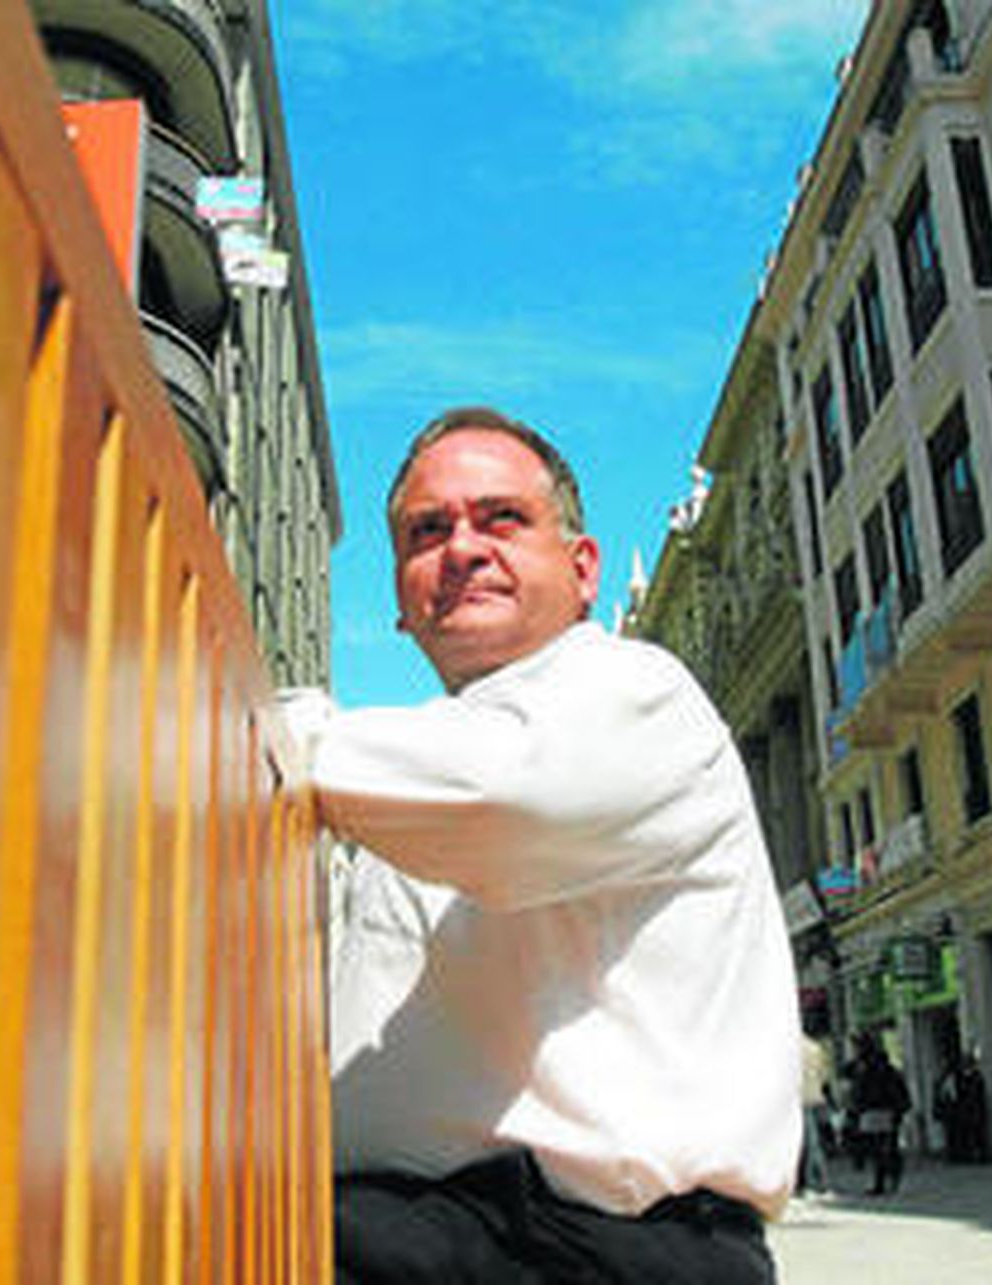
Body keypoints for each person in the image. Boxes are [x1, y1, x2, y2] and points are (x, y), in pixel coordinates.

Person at [281, 407, 801, 1283]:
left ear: (584, 567)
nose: (463, 548)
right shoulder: (402, 782)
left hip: (585, 1249)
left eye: (502, 518)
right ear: (402, 599)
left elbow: (501, 797)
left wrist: (261, 731)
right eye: (427, 530)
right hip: (404, 1234)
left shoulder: (636, 694)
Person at [846, 1034, 911, 1195]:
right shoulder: (887, 1069)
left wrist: (856, 1109)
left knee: (877, 1149)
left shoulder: (866, 1068)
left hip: (874, 1112)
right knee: (889, 1147)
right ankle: (892, 1179)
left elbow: (859, 1089)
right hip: (888, 1111)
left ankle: (882, 1182)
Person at [797, 1029, 835, 1197]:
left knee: (808, 1144)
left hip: (800, 1099)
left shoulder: (791, 1049)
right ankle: (821, 1182)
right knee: (816, 1142)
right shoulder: (815, 1048)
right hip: (816, 1098)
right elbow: (824, 1075)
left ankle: (812, 1183)